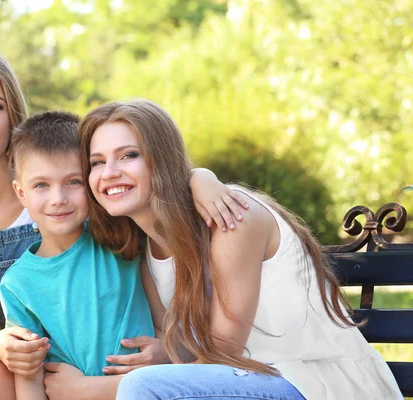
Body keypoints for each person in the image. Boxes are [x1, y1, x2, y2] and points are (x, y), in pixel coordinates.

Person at [0, 52, 247, 399]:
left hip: (113, 380)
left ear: (12, 116)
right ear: (23, 192)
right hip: (20, 379)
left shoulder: (85, 208)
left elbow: (134, 180)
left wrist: (199, 179)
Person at [48, 99, 401, 400]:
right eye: (97, 162)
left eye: (128, 155)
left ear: (162, 159)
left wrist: (88, 389)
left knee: (146, 387)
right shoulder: (148, 255)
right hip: (251, 383)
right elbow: (185, 351)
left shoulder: (234, 216)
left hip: (319, 385)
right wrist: (166, 354)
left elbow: (221, 353)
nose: (109, 172)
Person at [0, 110, 156, 400]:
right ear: (21, 194)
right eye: (41, 185)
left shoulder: (118, 232)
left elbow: (170, 192)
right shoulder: (17, 284)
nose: (58, 199)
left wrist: (203, 179)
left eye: (73, 182)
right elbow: (29, 375)